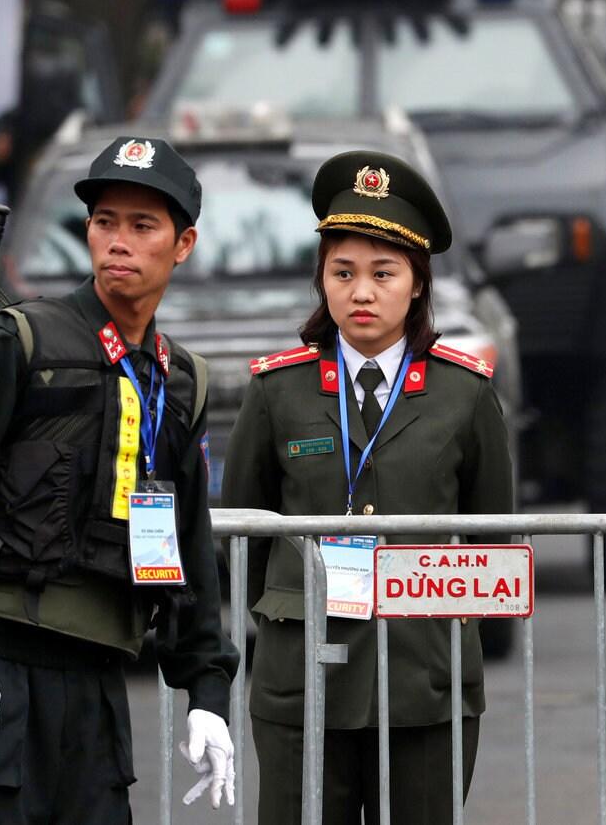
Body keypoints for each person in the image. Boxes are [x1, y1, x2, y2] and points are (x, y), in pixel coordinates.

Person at [0, 136, 240, 823]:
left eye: (142, 226)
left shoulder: (179, 381)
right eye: (104, 221)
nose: (118, 241)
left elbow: (189, 548)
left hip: (97, 685)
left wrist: (208, 689)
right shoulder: (18, 341)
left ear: (183, 244)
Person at [223, 150, 514, 825]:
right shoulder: (278, 390)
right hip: (303, 681)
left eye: (384, 273)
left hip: (424, 680)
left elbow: (492, 536)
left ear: (417, 283)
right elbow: (243, 535)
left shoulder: (462, 393)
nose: (362, 292)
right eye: (343, 272)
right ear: (321, 279)